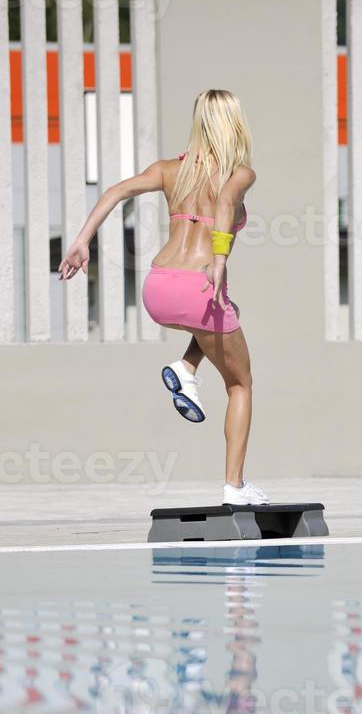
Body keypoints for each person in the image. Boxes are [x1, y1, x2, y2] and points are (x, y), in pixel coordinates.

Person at [57, 89, 269, 506]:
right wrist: (221, 256)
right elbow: (226, 202)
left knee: (225, 315)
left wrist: (82, 242)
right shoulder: (239, 173)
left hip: (158, 286)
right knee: (241, 384)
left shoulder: (170, 170)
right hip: (199, 286)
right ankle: (235, 487)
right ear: (234, 124)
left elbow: (115, 191)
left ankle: (186, 368)